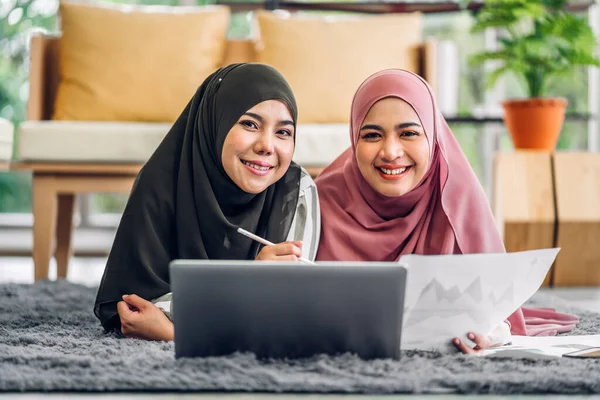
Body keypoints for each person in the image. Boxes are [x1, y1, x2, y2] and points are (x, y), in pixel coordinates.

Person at [314, 69, 578, 354]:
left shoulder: (457, 194)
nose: (390, 151)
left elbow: (495, 306)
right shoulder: (323, 200)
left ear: (433, 136)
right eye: (372, 135)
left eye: (409, 133)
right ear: (355, 139)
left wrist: (491, 332)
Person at [94, 63, 320, 341]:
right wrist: (253, 290)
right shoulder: (161, 183)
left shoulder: (295, 191)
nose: (267, 146)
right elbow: (134, 311)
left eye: (283, 132)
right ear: (215, 122)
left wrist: (175, 333)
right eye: (250, 124)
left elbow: (286, 314)